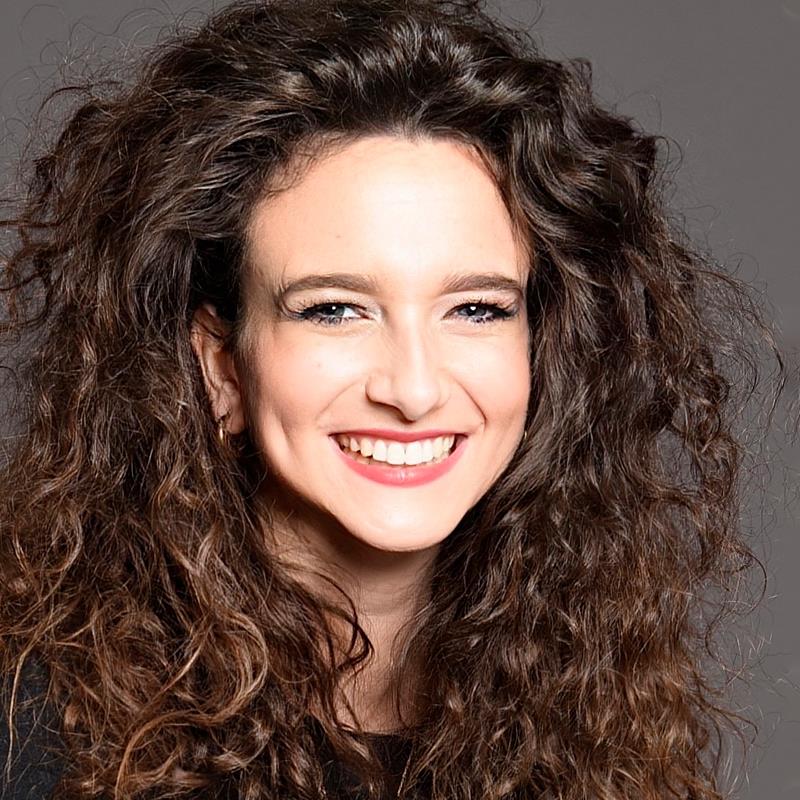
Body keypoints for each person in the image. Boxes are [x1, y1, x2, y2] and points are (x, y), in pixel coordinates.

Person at [0, 0, 782, 798]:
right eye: (334, 310)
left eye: (476, 309)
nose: (413, 388)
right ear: (221, 366)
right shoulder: (32, 735)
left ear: (543, 350)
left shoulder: (587, 725)